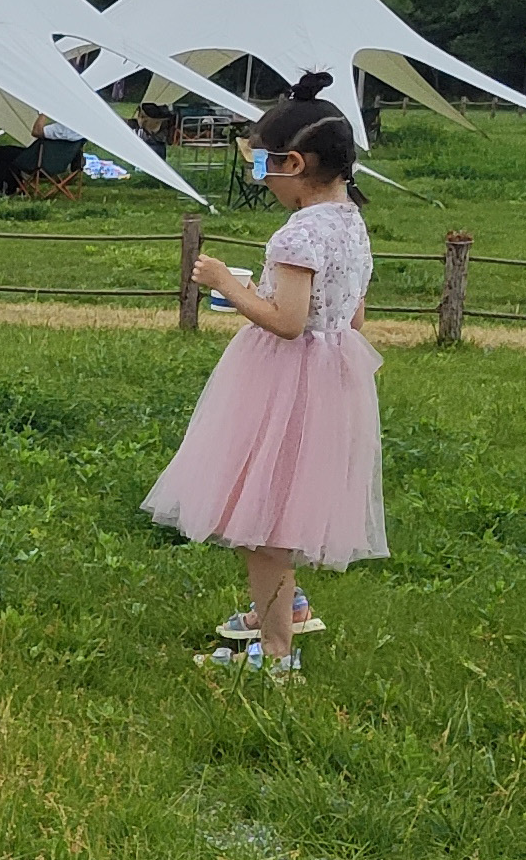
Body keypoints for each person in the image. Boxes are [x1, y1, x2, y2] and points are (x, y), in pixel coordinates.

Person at [146, 75, 381, 672]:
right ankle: (283, 606)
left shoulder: (298, 232)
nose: (263, 179)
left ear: (294, 163)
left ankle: (276, 654)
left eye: (262, 166)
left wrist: (228, 284)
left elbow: (288, 323)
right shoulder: (351, 220)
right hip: (332, 375)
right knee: (287, 498)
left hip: (285, 378)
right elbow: (350, 311)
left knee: (262, 518)